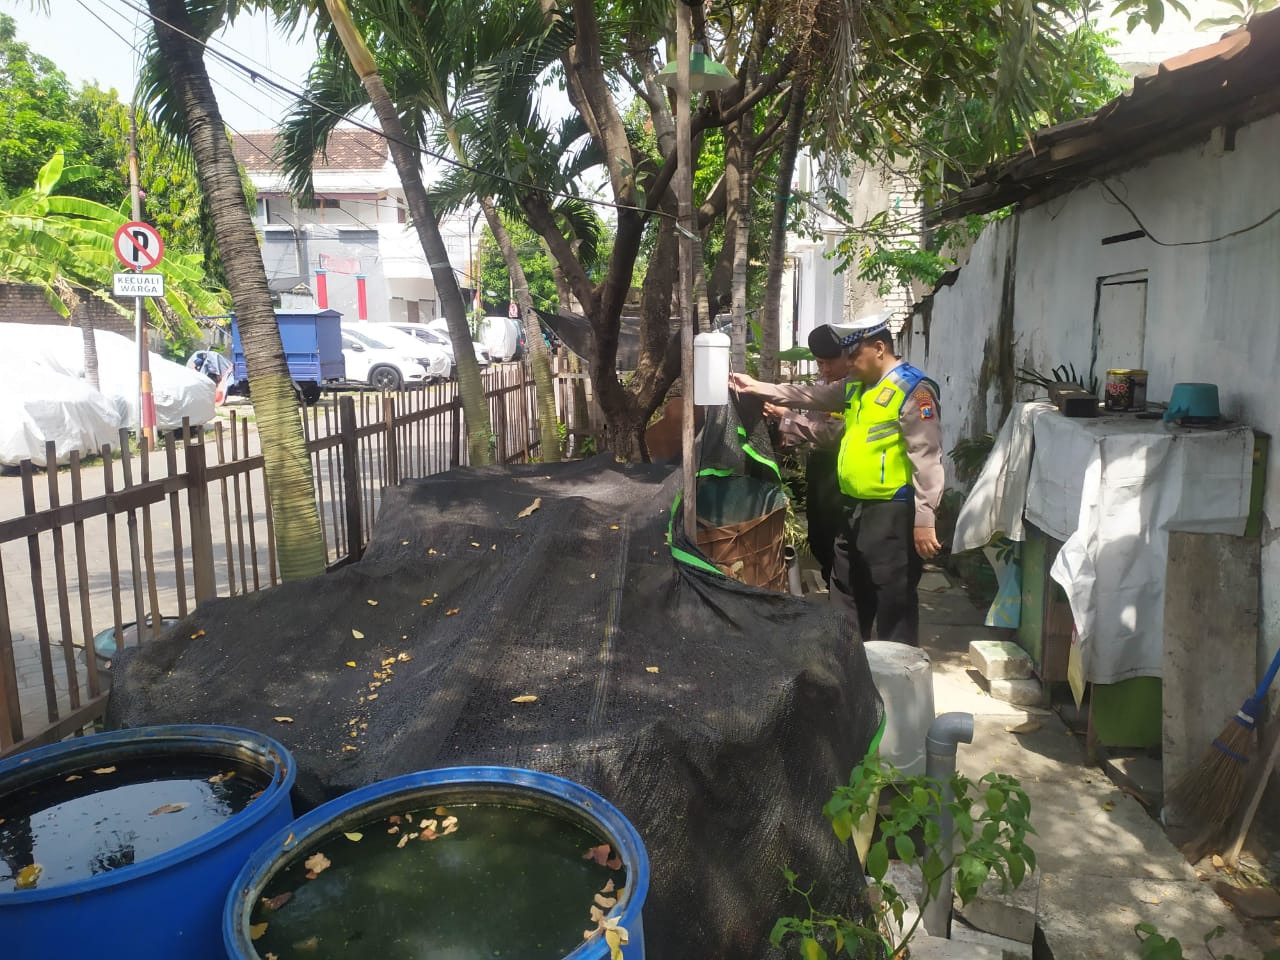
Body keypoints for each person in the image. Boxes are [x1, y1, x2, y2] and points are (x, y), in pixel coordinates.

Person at [730, 314, 944, 645]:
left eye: (853, 356)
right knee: (845, 590)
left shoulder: (913, 390)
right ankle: (848, 661)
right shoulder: (856, 386)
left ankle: (899, 671)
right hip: (853, 508)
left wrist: (925, 518)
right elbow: (810, 396)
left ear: (879, 348)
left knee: (894, 601)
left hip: (891, 512)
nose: (849, 364)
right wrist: (758, 387)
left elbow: (926, 457)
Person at [764, 327, 853, 587]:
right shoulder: (823, 384)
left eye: (829, 363)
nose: (824, 370)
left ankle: (841, 591)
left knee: (836, 536)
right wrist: (786, 436)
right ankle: (833, 584)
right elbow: (810, 426)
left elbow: (829, 435)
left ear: (847, 356)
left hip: (838, 468)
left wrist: (786, 417)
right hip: (818, 467)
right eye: (819, 363)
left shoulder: (852, 389)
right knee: (817, 535)